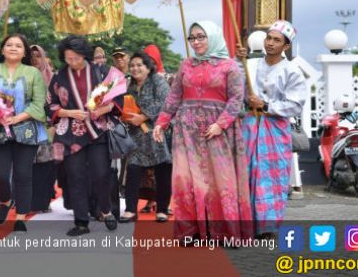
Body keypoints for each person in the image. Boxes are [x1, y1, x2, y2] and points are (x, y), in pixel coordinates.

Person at [153, 21, 252, 241]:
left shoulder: (230, 66)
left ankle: (224, 231)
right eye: (192, 38)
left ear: (213, 37)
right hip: (186, 131)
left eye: (201, 37)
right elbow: (174, 96)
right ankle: (192, 231)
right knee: (187, 179)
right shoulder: (186, 65)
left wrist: (221, 124)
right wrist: (162, 122)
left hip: (218, 131)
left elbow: (237, 99)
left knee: (220, 180)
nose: (196, 42)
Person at [46, 35, 122, 236]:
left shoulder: (101, 71)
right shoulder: (59, 76)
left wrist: (103, 110)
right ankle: (81, 222)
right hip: (71, 133)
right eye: (68, 59)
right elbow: (50, 105)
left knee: (101, 174)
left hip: (98, 130)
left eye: (76, 58)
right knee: (76, 176)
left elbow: (117, 99)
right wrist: (69, 113)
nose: (72, 62)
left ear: (84, 55)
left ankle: (106, 210)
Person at [237, 20, 306, 238]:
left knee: (271, 175)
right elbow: (236, 83)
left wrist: (266, 105)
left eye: (277, 40)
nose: (271, 43)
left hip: (274, 129)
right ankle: (245, 223)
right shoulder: (252, 65)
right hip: (249, 126)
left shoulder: (292, 71)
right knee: (246, 172)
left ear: (286, 46)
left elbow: (295, 104)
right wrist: (239, 60)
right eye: (269, 38)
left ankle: (267, 226)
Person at [0, 34, 47, 232]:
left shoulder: (33, 73)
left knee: (23, 174)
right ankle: (6, 201)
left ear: (24, 52)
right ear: (2, 49)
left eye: (18, 46)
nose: (13, 48)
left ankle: (21, 216)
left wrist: (17, 118)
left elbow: (39, 102)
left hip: (25, 130)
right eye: (9, 45)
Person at [120, 52, 172, 223]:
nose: (135, 69)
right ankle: (130, 210)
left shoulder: (158, 81)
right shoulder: (131, 86)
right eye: (132, 65)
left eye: (139, 65)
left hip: (158, 133)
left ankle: (162, 209)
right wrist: (126, 117)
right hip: (136, 135)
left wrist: (143, 116)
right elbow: (127, 107)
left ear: (148, 67)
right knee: (133, 171)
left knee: (162, 170)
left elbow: (165, 102)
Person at [29, 45, 56, 213]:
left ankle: (43, 201)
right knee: (27, 165)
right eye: (31, 55)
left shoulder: (52, 78)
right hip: (26, 126)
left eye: (38, 55)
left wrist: (53, 124)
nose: (35, 59)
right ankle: (27, 201)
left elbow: (58, 102)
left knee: (46, 166)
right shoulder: (21, 75)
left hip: (47, 127)